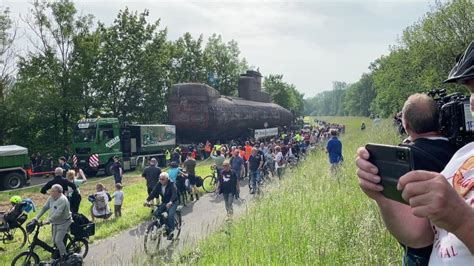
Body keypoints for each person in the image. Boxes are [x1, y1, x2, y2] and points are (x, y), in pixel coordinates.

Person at [356, 41, 474, 265]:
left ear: (407, 125)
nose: (473, 104)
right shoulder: (464, 154)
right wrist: (381, 194)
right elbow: (420, 236)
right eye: (471, 92)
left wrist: (462, 220)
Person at [32, 184, 72, 260]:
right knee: (54, 240)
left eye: (53, 191)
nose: (51, 193)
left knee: (58, 240)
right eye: (51, 191)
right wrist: (36, 217)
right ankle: (59, 254)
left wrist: (47, 221)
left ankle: (65, 257)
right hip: (55, 222)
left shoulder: (63, 200)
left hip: (64, 222)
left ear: (59, 192)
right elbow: (45, 208)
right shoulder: (51, 197)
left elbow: (57, 214)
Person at [146, 172, 178, 240]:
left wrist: (170, 202)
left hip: (173, 202)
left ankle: (171, 231)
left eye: (162, 179)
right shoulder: (159, 184)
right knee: (156, 214)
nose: (161, 181)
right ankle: (159, 228)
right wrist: (147, 200)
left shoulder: (171, 184)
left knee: (170, 215)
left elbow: (174, 194)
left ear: (167, 179)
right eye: (160, 179)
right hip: (164, 202)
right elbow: (153, 192)